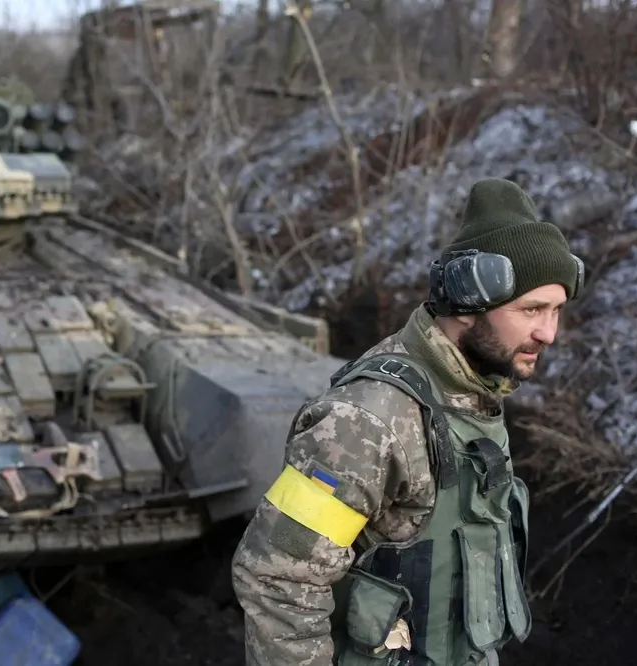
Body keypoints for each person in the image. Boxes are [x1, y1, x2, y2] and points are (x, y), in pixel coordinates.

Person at [231, 178, 585, 666]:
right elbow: (278, 579)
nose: (549, 332)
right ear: (466, 303)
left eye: (558, 310)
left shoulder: (475, 387)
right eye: (532, 310)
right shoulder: (367, 419)